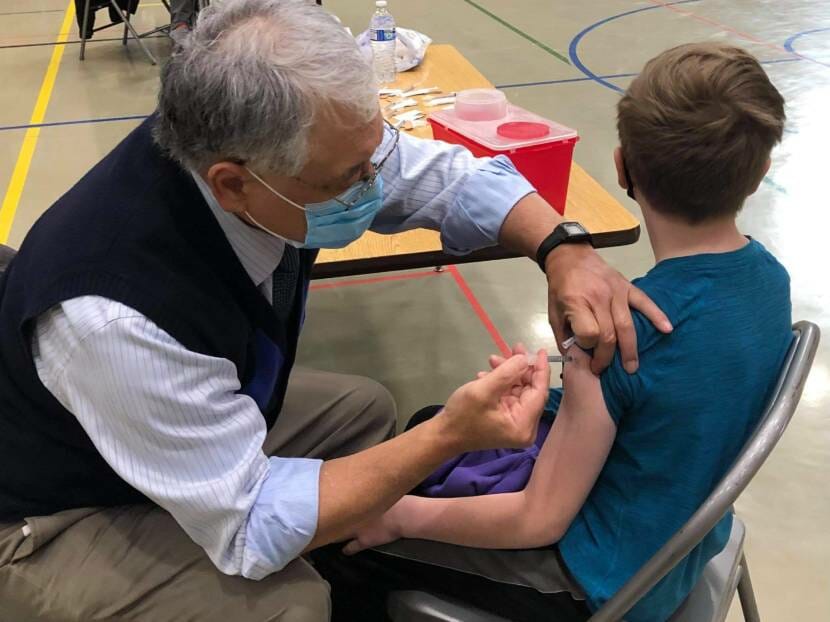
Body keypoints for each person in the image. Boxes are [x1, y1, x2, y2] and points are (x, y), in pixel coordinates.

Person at [0, 1, 668, 620]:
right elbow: (250, 526)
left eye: (372, 158)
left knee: (364, 414)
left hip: (150, 429)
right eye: (348, 179)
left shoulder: (266, 149)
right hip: (53, 512)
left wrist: (562, 248)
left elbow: (438, 175)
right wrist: (448, 436)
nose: (374, 186)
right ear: (232, 183)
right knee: (290, 604)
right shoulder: (115, 313)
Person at [337, 42, 792, 622]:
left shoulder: (614, 336)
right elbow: (675, 400)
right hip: (683, 537)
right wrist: (560, 394)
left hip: (604, 584)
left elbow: (538, 519)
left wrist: (397, 517)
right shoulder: (771, 282)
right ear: (759, 175)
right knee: (432, 426)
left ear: (623, 167)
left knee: (350, 550)